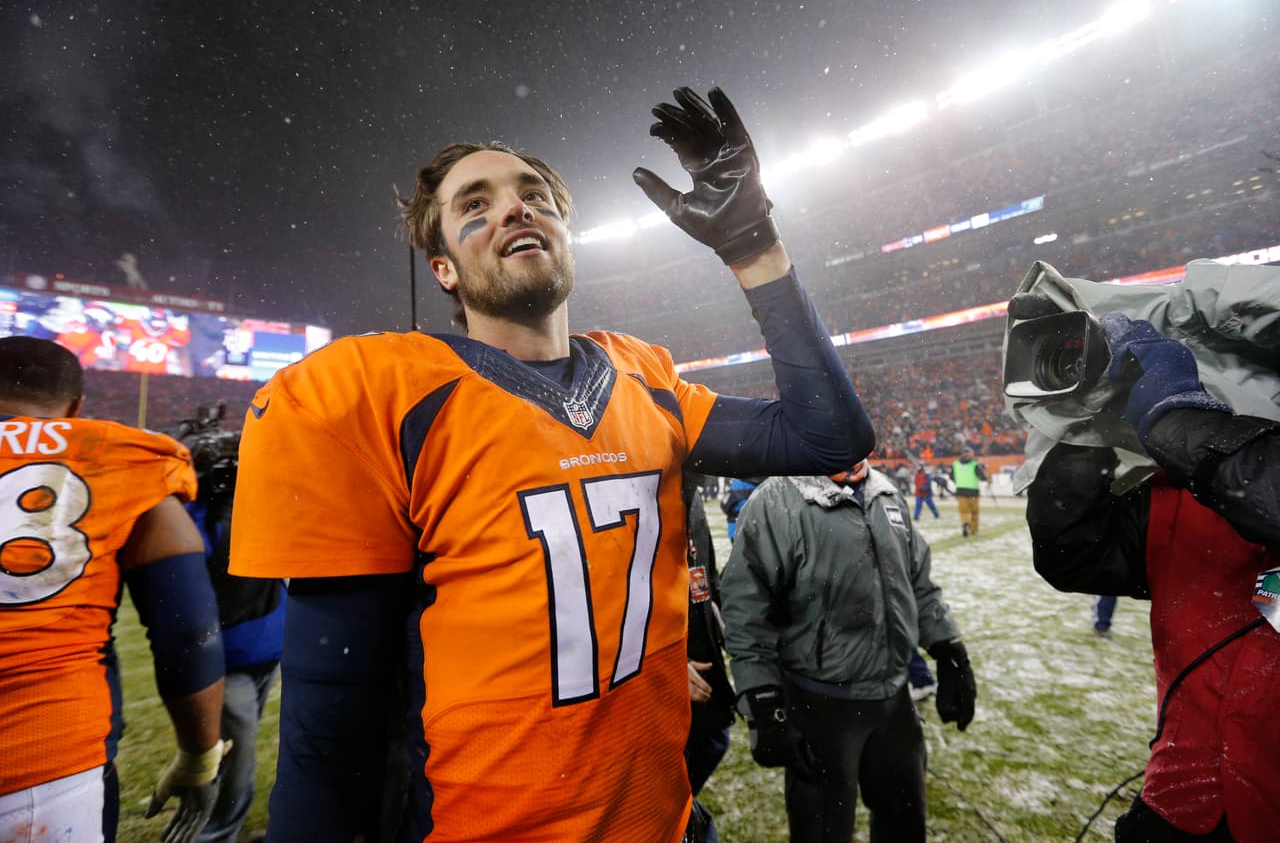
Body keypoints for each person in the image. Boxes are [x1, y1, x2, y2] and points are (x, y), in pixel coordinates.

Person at [229, 85, 875, 843]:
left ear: (565, 230)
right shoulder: (378, 395)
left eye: (532, 194)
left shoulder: (645, 379)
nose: (513, 207)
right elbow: (328, 734)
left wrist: (754, 246)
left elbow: (830, 437)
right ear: (442, 269)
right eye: (475, 204)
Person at [1025, 314, 1279, 842]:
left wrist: (1175, 419)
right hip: (1176, 811)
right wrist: (1090, 419)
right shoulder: (1182, 496)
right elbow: (1073, 552)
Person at [0, 336, 227, 843]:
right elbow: (187, 629)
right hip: (41, 759)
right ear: (76, 406)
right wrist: (198, 755)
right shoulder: (117, 456)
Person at [721, 458, 976, 843]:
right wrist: (761, 699)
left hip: (894, 700)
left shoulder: (884, 491)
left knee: (904, 825)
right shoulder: (775, 499)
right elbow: (745, 610)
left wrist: (949, 651)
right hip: (820, 703)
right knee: (823, 832)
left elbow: (917, 583)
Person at [175, 407, 286, 843]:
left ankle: (224, 830)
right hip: (227, 656)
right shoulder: (198, 515)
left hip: (263, 645)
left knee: (236, 749)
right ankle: (214, 836)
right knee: (229, 756)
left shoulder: (249, 502)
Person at [683, 473, 736, 801]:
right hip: (672, 650)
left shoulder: (690, 492)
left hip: (700, 632)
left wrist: (719, 612)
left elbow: (705, 569)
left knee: (714, 738)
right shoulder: (644, 487)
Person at [951, 447, 987, 536]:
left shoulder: (955, 464)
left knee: (963, 511)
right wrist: (987, 477)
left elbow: (951, 476)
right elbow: (982, 477)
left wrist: (959, 481)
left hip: (960, 491)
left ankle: (965, 523)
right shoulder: (975, 465)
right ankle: (974, 530)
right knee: (974, 512)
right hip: (973, 492)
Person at [720, 475, 760, 541]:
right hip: (759, 530)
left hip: (736, 529)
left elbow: (724, 505)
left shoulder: (737, 483)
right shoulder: (767, 483)